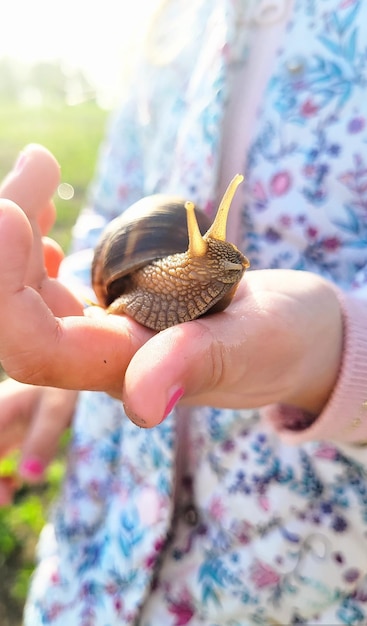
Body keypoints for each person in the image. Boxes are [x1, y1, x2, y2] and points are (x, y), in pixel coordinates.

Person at [0, 0, 367, 623]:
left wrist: (338, 355)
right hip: (92, 576)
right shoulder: (174, 26)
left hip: (304, 580)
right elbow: (112, 210)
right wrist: (71, 364)